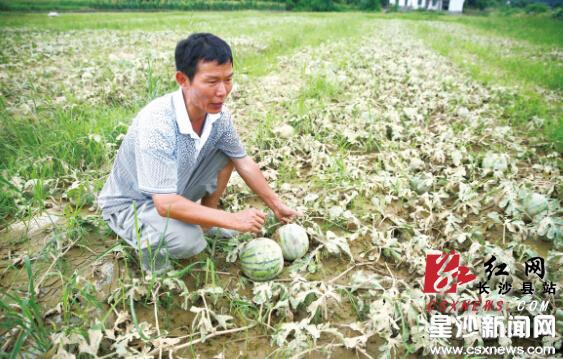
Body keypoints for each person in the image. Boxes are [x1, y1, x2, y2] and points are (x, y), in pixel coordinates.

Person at [97, 33, 300, 273]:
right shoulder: (157, 124)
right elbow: (164, 204)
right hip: (132, 204)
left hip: (170, 190)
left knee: (226, 153)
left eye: (228, 80)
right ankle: (150, 246)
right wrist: (232, 219)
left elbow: (242, 161)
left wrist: (276, 204)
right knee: (189, 242)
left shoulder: (218, 115)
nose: (223, 91)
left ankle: (206, 219)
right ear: (183, 80)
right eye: (212, 82)